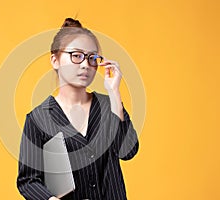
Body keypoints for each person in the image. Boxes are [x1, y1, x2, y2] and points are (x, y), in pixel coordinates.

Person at [16, 18, 139, 200]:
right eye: (76, 55)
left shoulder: (108, 106)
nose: (85, 65)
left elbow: (128, 151)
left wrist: (114, 92)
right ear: (55, 60)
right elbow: (28, 181)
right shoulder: (38, 119)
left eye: (92, 57)